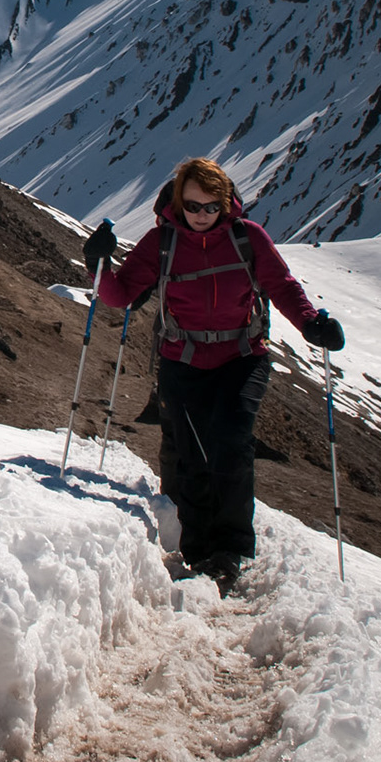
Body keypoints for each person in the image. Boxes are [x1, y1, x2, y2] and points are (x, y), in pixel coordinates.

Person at [93, 157, 344, 592]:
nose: (203, 216)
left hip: (241, 357)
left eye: (212, 207)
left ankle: (229, 550)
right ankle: (197, 546)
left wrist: (310, 323)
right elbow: (119, 295)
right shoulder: (161, 243)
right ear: (178, 202)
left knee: (230, 440)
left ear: (227, 204)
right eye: (193, 206)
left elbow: (282, 286)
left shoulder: (248, 238)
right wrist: (96, 263)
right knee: (191, 453)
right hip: (183, 359)